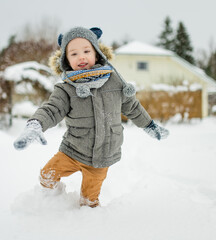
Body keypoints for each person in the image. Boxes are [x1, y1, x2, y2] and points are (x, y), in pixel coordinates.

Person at [13, 26, 169, 207]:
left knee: (89, 202)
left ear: (97, 53)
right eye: (73, 54)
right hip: (72, 151)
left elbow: (132, 106)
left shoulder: (114, 81)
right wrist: (36, 124)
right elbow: (51, 109)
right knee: (46, 177)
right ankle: (51, 208)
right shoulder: (66, 88)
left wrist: (149, 125)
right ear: (65, 59)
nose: (81, 57)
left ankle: (88, 226)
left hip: (102, 156)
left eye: (86, 51)